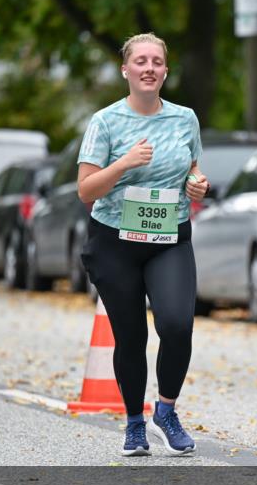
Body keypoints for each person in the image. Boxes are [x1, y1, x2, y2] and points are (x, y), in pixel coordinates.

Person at [76, 33, 210, 457]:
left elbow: (192, 168)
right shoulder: (106, 122)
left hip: (168, 237)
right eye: (140, 61)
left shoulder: (184, 118)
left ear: (165, 71)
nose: (149, 68)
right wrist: (124, 163)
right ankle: (134, 423)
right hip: (115, 241)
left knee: (176, 324)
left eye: (156, 62)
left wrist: (197, 184)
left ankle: (165, 410)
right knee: (130, 337)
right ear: (126, 70)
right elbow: (85, 190)